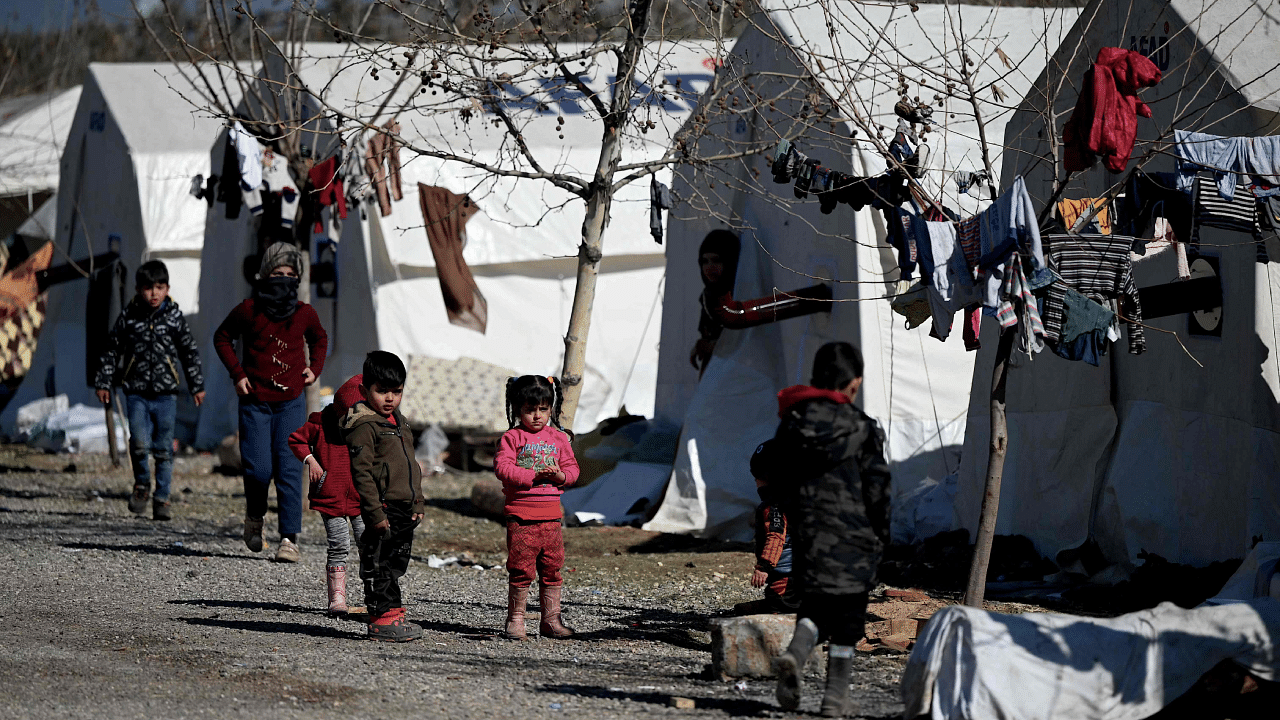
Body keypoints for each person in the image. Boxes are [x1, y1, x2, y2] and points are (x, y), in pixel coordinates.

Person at [753, 341, 891, 718]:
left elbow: (776, 480)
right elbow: (877, 488)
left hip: (810, 534)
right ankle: (834, 700)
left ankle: (796, 655)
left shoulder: (792, 423)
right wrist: (882, 536)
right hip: (855, 536)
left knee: (813, 605)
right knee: (847, 617)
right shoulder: (862, 428)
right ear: (854, 383)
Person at [214, 242, 328, 563]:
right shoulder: (248, 310)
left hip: (291, 402)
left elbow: (319, 339)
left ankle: (289, 538)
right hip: (255, 403)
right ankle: (255, 516)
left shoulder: (304, 313)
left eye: (291, 275)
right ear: (264, 275)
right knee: (259, 468)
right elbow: (222, 337)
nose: (284, 280)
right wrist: (237, 373)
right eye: (277, 274)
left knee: (290, 469)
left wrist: (314, 368)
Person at [94, 260, 205, 521]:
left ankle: (162, 497)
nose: (153, 294)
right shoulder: (129, 316)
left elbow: (189, 352)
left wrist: (197, 385)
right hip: (137, 392)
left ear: (167, 288)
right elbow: (112, 349)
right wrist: (103, 381)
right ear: (137, 289)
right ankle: (142, 484)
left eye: (159, 287)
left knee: (164, 448)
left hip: (166, 394)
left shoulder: (174, 317)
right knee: (140, 442)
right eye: (147, 288)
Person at [342, 351, 425, 642]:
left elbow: (410, 465)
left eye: (396, 391)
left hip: (403, 506)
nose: (390, 398)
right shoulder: (365, 426)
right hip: (383, 508)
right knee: (380, 564)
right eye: (382, 391)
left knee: (396, 562)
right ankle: (381, 619)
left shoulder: (397, 421)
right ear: (365, 391)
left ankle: (393, 613)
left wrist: (418, 501)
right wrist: (375, 513)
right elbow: (362, 474)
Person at [494, 375, 580, 640]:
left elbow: (573, 470)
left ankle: (551, 620)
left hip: (552, 517)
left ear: (551, 408)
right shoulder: (512, 437)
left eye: (543, 409)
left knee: (552, 569)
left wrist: (558, 477)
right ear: (517, 409)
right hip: (522, 517)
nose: (537, 416)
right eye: (530, 410)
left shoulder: (559, 438)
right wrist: (532, 475)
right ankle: (516, 619)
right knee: (521, 570)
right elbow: (502, 467)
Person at [288, 374, 366, 615]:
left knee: (369, 544)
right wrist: (311, 460)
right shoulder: (320, 422)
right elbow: (296, 440)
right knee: (339, 545)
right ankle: (337, 599)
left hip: (361, 498)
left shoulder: (367, 426)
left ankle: (374, 594)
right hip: (330, 496)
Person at [739, 449, 797, 614]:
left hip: (787, 581)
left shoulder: (774, 507)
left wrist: (763, 567)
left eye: (756, 478)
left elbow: (775, 537)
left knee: (776, 604)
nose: (755, 482)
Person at [689, 230, 740, 376]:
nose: (709, 267)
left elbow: (744, 341)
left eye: (716, 260)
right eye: (705, 261)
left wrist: (711, 346)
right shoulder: (709, 296)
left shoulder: (741, 295)